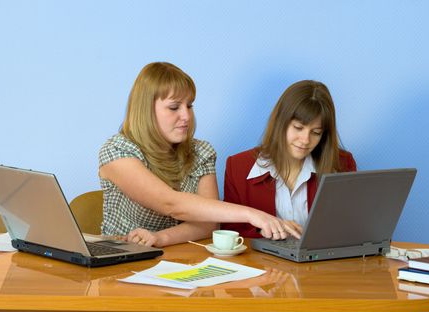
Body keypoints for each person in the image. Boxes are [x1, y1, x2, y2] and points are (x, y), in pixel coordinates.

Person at [98, 62, 300, 247]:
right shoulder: (117, 150)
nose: (186, 116)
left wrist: (159, 238)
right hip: (121, 262)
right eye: (174, 107)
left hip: (179, 260)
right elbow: (170, 203)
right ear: (146, 110)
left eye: (189, 105)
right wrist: (252, 214)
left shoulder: (201, 153)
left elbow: (208, 225)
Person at [222, 80, 357, 238]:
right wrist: (267, 230)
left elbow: (353, 227)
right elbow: (229, 232)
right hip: (261, 262)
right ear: (281, 122)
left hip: (322, 262)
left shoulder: (342, 164)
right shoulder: (238, 167)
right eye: (298, 128)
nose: (305, 140)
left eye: (316, 132)